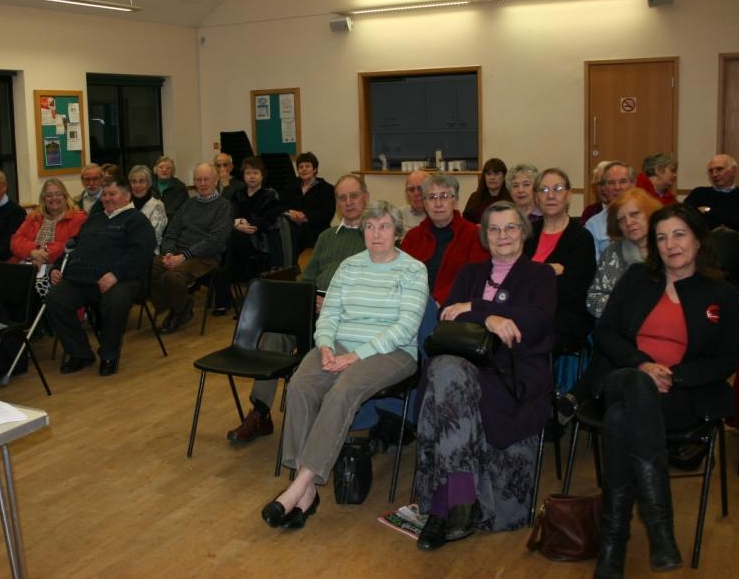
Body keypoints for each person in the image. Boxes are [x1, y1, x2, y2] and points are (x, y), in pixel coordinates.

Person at [591, 203, 739, 577]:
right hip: (624, 376)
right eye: (661, 237)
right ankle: (661, 533)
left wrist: (673, 375)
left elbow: (726, 361)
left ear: (697, 239)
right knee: (635, 389)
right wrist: (642, 364)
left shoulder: (721, 293)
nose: (670, 244)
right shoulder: (638, 278)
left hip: (682, 393)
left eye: (679, 234)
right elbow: (605, 332)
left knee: (621, 420)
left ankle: (613, 542)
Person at [261, 200, 427, 531]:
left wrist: (357, 355)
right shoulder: (349, 266)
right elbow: (330, 313)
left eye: (384, 227)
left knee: (343, 391)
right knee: (301, 386)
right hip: (338, 346)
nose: (376, 233)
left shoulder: (412, 269)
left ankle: (298, 485)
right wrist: (324, 345)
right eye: (370, 226)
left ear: (397, 233)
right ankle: (306, 494)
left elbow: (405, 327)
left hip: (391, 352)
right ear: (361, 231)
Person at [414, 201, 556, 550]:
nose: (503, 235)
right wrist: (491, 320)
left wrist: (478, 309)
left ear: (523, 231)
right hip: (464, 366)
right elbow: (448, 316)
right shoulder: (470, 274)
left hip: (512, 371)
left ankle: (450, 502)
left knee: (446, 377)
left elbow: (535, 322)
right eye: (494, 229)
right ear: (485, 235)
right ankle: (459, 501)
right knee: (448, 371)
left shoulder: (541, 275)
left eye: (510, 227)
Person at [227, 174, 369, 443]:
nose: (348, 203)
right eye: (342, 198)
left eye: (354, 196)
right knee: (274, 335)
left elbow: (374, 287)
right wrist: (306, 298)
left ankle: (319, 413)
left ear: (366, 197)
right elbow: (309, 277)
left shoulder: (373, 236)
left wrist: (336, 305)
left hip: (349, 318)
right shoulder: (327, 236)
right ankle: (260, 412)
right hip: (313, 307)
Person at [46, 176, 156, 376]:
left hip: (124, 279)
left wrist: (115, 274)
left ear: (126, 196)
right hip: (83, 278)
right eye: (104, 195)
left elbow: (140, 255)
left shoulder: (137, 221)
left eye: (112, 194)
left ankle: (109, 354)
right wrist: (56, 267)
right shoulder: (94, 219)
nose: (107, 198)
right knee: (56, 298)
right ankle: (80, 353)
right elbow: (73, 246)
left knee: (115, 300)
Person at [150, 162, 233, 333]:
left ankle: (178, 310)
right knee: (147, 268)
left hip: (205, 257)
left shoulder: (224, 206)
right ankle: (181, 305)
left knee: (172, 278)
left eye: (206, 179)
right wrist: (169, 253)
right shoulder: (189, 204)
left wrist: (183, 257)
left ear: (216, 180)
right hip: (178, 253)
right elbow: (171, 232)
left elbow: (214, 241)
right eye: (198, 179)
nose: (202, 183)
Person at [523, 168, 596, 355]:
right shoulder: (528, 233)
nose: (551, 196)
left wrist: (535, 273)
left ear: (569, 195)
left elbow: (572, 289)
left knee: (528, 335)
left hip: (565, 314)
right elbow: (515, 274)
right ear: (537, 198)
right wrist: (550, 270)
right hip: (526, 308)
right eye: (544, 190)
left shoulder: (581, 237)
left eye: (557, 189)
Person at [401, 173, 488, 304]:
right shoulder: (412, 237)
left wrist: (436, 302)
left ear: (455, 200)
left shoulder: (474, 235)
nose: (438, 203)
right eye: (432, 197)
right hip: (412, 305)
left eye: (444, 196)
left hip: (454, 308)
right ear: (424, 203)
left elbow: (475, 280)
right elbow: (400, 276)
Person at [587, 188, 663, 318]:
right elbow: (594, 299)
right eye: (621, 219)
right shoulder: (612, 252)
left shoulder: (668, 248)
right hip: (619, 327)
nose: (628, 222)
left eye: (634, 214)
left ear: (650, 214)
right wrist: (627, 309)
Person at [10, 178, 87, 298]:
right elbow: (15, 240)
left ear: (65, 196)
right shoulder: (33, 217)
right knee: (3, 281)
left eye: (58, 194)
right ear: (43, 199)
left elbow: (68, 245)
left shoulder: (78, 218)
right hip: (27, 262)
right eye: (49, 195)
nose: (54, 198)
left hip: (55, 267)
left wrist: (43, 254)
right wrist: (33, 251)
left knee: (28, 289)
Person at [226, 156, 282, 284]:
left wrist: (247, 224)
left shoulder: (270, 194)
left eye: (256, 173)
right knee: (228, 235)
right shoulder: (237, 194)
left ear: (262, 175)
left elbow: (269, 219)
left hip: (262, 238)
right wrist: (237, 224)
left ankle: (231, 274)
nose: (252, 176)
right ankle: (227, 275)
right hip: (238, 235)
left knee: (234, 236)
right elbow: (230, 216)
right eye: (248, 173)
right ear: (243, 175)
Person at [684, 153, 739, 233]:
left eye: (719, 169)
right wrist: (727, 216)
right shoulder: (698, 193)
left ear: (733, 170)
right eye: (711, 171)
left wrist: (707, 210)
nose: (714, 174)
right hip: (704, 242)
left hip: (735, 243)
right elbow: (686, 217)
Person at [280, 152, 336, 257]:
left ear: (314, 169)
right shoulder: (289, 188)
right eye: (301, 167)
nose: (304, 169)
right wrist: (290, 213)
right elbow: (281, 207)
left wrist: (305, 217)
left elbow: (327, 214)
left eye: (307, 166)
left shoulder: (327, 189)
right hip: (294, 233)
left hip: (317, 234)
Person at [585, 162, 636, 259]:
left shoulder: (647, 217)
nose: (617, 187)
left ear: (633, 184)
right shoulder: (593, 225)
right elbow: (593, 266)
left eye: (623, 181)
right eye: (611, 183)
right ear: (604, 188)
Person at [128, 165, 168, 250]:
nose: (137, 185)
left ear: (149, 184)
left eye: (141, 181)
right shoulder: (126, 206)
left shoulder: (157, 206)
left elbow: (153, 238)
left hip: (149, 253)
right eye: (134, 181)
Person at [463, 158, 511, 224]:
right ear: (484, 177)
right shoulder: (474, 197)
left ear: (504, 177)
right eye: (488, 174)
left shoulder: (511, 199)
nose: (492, 177)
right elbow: (465, 222)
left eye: (496, 174)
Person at [153, 155, 188, 219]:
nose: (164, 170)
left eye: (168, 168)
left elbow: (183, 210)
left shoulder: (180, 187)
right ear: (156, 170)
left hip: (173, 223)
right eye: (161, 167)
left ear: (172, 171)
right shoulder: (149, 186)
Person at [580, 161, 612, 225]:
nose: (603, 188)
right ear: (594, 188)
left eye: (607, 183)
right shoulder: (590, 212)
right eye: (599, 184)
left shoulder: (627, 209)